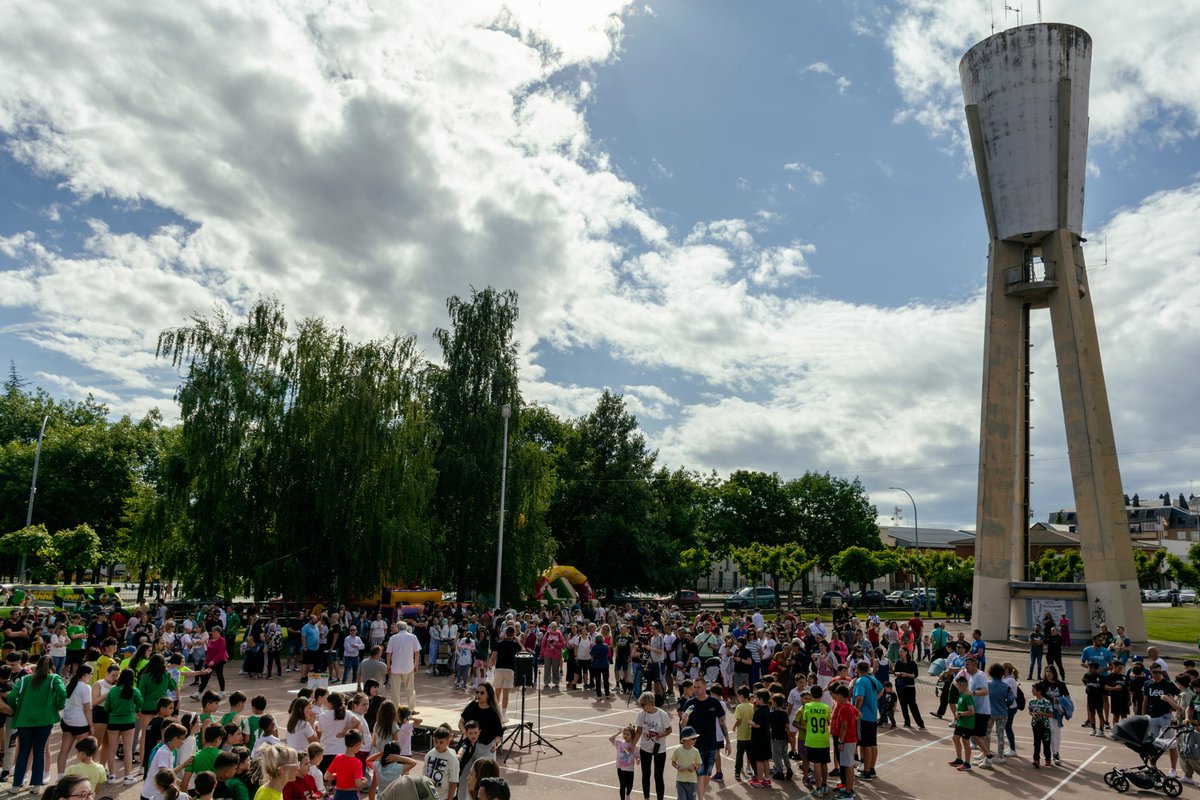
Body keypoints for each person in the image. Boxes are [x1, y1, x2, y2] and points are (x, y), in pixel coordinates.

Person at [10, 654, 68, 793]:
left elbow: (12, 696)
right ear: (52, 666)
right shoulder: (54, 678)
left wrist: (16, 708)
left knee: (23, 752)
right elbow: (63, 693)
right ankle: (36, 785)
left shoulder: (25, 679)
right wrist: (58, 706)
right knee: (39, 751)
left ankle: (16, 785)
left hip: (24, 721)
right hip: (44, 720)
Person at [678, 679, 728, 800]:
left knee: (707, 775)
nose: (695, 689)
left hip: (711, 744)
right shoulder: (690, 703)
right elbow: (684, 726)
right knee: (699, 775)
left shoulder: (714, 702)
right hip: (695, 746)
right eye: (694, 687)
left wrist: (728, 742)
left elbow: (722, 722)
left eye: (698, 687)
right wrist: (683, 721)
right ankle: (699, 798)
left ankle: (700, 795)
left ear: (705, 687)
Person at [633, 692, 672, 800]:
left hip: (659, 748)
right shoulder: (641, 714)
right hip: (645, 748)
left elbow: (669, 730)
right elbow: (639, 731)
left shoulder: (662, 714)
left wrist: (662, 734)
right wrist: (632, 745)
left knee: (658, 776)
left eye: (643, 705)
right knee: (646, 775)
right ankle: (646, 798)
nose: (642, 707)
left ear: (650, 703)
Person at [458, 683, 503, 762]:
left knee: (484, 773)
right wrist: (465, 734)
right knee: (463, 773)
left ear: (488, 695)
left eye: (482, 693)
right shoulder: (472, 706)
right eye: (477, 692)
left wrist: (495, 744)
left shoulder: (493, 713)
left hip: (485, 749)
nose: (479, 695)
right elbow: (461, 722)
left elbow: (498, 734)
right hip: (468, 745)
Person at [800, 685, 831, 796]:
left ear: (811, 695)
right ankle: (824, 785)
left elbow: (805, 720)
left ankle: (818, 788)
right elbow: (828, 721)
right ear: (822, 694)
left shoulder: (808, 706)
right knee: (824, 763)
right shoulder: (826, 707)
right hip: (824, 739)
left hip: (812, 739)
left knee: (816, 763)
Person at [385, 624, 421, 713]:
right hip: (408, 667)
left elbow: (389, 653)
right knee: (410, 689)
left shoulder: (393, 638)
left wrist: (388, 665)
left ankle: (395, 709)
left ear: (398, 628)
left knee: (395, 690)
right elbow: (417, 652)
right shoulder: (413, 637)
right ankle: (411, 708)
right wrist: (416, 665)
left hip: (395, 667)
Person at [487, 628, 523, 715]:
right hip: (510, 670)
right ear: (513, 634)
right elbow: (522, 649)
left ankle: (495, 711)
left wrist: (490, 666)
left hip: (499, 669)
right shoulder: (515, 644)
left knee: (497, 692)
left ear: (506, 634)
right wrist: (518, 640)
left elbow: (493, 656)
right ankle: (503, 713)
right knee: (506, 694)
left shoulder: (499, 643)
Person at [422, 726, 459, 800]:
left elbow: (454, 781)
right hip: (430, 795)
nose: (437, 745)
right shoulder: (429, 754)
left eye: (441, 742)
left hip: (444, 797)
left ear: (448, 741)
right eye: (435, 741)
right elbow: (424, 775)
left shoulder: (452, 758)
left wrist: (449, 798)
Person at [672, 727, 702, 800]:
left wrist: (694, 767)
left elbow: (699, 764)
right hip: (680, 781)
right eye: (693, 738)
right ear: (685, 740)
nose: (695, 740)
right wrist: (678, 767)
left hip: (692, 782)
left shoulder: (696, 751)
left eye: (695, 738)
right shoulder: (677, 750)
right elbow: (673, 762)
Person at [609, 725, 637, 800]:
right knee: (622, 785)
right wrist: (618, 733)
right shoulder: (619, 743)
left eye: (628, 734)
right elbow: (611, 739)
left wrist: (638, 759)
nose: (625, 735)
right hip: (620, 768)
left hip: (630, 768)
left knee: (630, 785)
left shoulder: (633, 746)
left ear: (632, 736)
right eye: (624, 734)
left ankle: (627, 795)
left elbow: (637, 756)